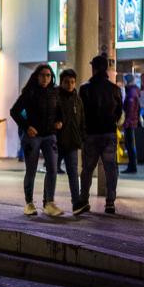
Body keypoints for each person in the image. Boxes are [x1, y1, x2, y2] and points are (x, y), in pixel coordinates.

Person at [10, 64, 64, 217]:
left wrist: (60, 121)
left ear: (52, 77)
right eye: (42, 75)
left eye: (48, 75)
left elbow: (60, 111)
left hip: (50, 136)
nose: (45, 78)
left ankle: (49, 203)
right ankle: (29, 203)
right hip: (33, 137)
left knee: (53, 169)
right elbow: (14, 111)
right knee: (31, 170)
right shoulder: (30, 92)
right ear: (37, 76)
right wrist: (27, 127)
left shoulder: (55, 92)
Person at [77, 55, 123, 215]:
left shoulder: (85, 89)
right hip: (109, 133)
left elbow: (80, 113)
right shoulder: (115, 89)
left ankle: (83, 199)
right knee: (111, 169)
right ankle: (110, 202)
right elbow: (119, 112)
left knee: (87, 169)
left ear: (94, 68)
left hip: (90, 134)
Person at [56, 69, 85, 212]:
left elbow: (82, 121)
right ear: (61, 82)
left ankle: (76, 202)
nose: (70, 85)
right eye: (67, 82)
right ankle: (47, 200)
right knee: (51, 173)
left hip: (72, 143)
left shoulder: (77, 99)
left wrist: (82, 138)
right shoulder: (55, 97)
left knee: (73, 173)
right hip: (57, 142)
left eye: (72, 82)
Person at [122, 74, 141, 174]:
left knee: (130, 144)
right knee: (130, 144)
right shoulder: (133, 91)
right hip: (132, 121)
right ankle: (132, 165)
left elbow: (130, 110)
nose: (123, 82)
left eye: (125, 80)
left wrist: (127, 123)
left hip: (130, 122)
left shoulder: (131, 93)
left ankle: (132, 166)